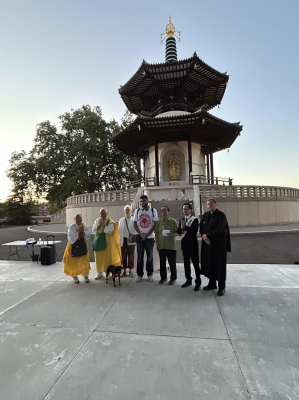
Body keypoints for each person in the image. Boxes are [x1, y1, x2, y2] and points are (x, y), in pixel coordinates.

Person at [200, 198, 231, 296]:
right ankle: (212, 283)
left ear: (215, 204)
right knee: (210, 264)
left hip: (219, 246)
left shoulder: (221, 216)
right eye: (208, 204)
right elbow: (201, 227)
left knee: (220, 266)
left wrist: (208, 235)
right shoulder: (205, 215)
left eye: (211, 204)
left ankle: (222, 287)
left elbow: (220, 229)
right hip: (208, 245)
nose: (209, 206)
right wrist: (204, 235)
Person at [133, 195, 159, 283]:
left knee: (150, 257)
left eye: (144, 201)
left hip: (150, 238)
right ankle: (139, 274)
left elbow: (155, 224)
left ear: (147, 201)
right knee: (140, 257)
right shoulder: (137, 211)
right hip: (140, 237)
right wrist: (140, 234)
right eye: (141, 201)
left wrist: (147, 234)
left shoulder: (153, 211)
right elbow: (135, 224)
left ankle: (150, 274)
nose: (142, 203)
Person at [177, 203, 201, 291]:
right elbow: (179, 231)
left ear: (190, 210)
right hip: (185, 245)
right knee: (186, 263)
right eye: (184, 209)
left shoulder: (194, 220)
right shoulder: (182, 219)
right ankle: (188, 279)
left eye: (187, 209)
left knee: (195, 264)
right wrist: (181, 227)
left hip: (193, 245)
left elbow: (193, 231)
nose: (185, 210)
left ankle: (198, 281)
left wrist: (185, 227)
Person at [92, 208, 121, 280]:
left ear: (107, 214)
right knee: (98, 257)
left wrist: (104, 225)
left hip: (107, 243)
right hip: (98, 241)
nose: (103, 215)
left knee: (107, 258)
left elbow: (110, 231)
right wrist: (100, 225)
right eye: (101, 214)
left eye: (104, 213)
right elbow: (94, 230)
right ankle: (99, 273)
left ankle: (107, 272)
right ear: (100, 214)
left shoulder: (110, 221)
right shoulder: (97, 221)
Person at [63, 213, 91, 283]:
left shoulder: (84, 226)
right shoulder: (72, 227)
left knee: (84, 260)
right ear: (74, 219)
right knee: (73, 261)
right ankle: (74, 276)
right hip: (73, 246)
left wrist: (83, 232)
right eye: (77, 218)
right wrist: (78, 232)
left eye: (80, 219)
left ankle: (86, 276)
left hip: (82, 245)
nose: (79, 220)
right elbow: (70, 236)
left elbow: (89, 232)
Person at [155, 206, 178, 285]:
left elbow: (178, 233)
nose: (164, 212)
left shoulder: (173, 221)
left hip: (171, 246)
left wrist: (172, 234)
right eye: (162, 211)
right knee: (162, 263)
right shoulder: (159, 222)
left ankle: (173, 278)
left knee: (172, 263)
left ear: (168, 211)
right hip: (162, 246)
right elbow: (157, 234)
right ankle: (163, 278)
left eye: (165, 210)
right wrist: (157, 244)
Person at [119, 205, 137, 278]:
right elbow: (119, 229)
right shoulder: (121, 220)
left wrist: (131, 237)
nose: (127, 211)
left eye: (128, 210)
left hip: (131, 240)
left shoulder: (133, 220)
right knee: (123, 255)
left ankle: (130, 271)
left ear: (131, 211)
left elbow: (136, 230)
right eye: (126, 210)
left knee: (131, 255)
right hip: (123, 240)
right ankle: (124, 270)